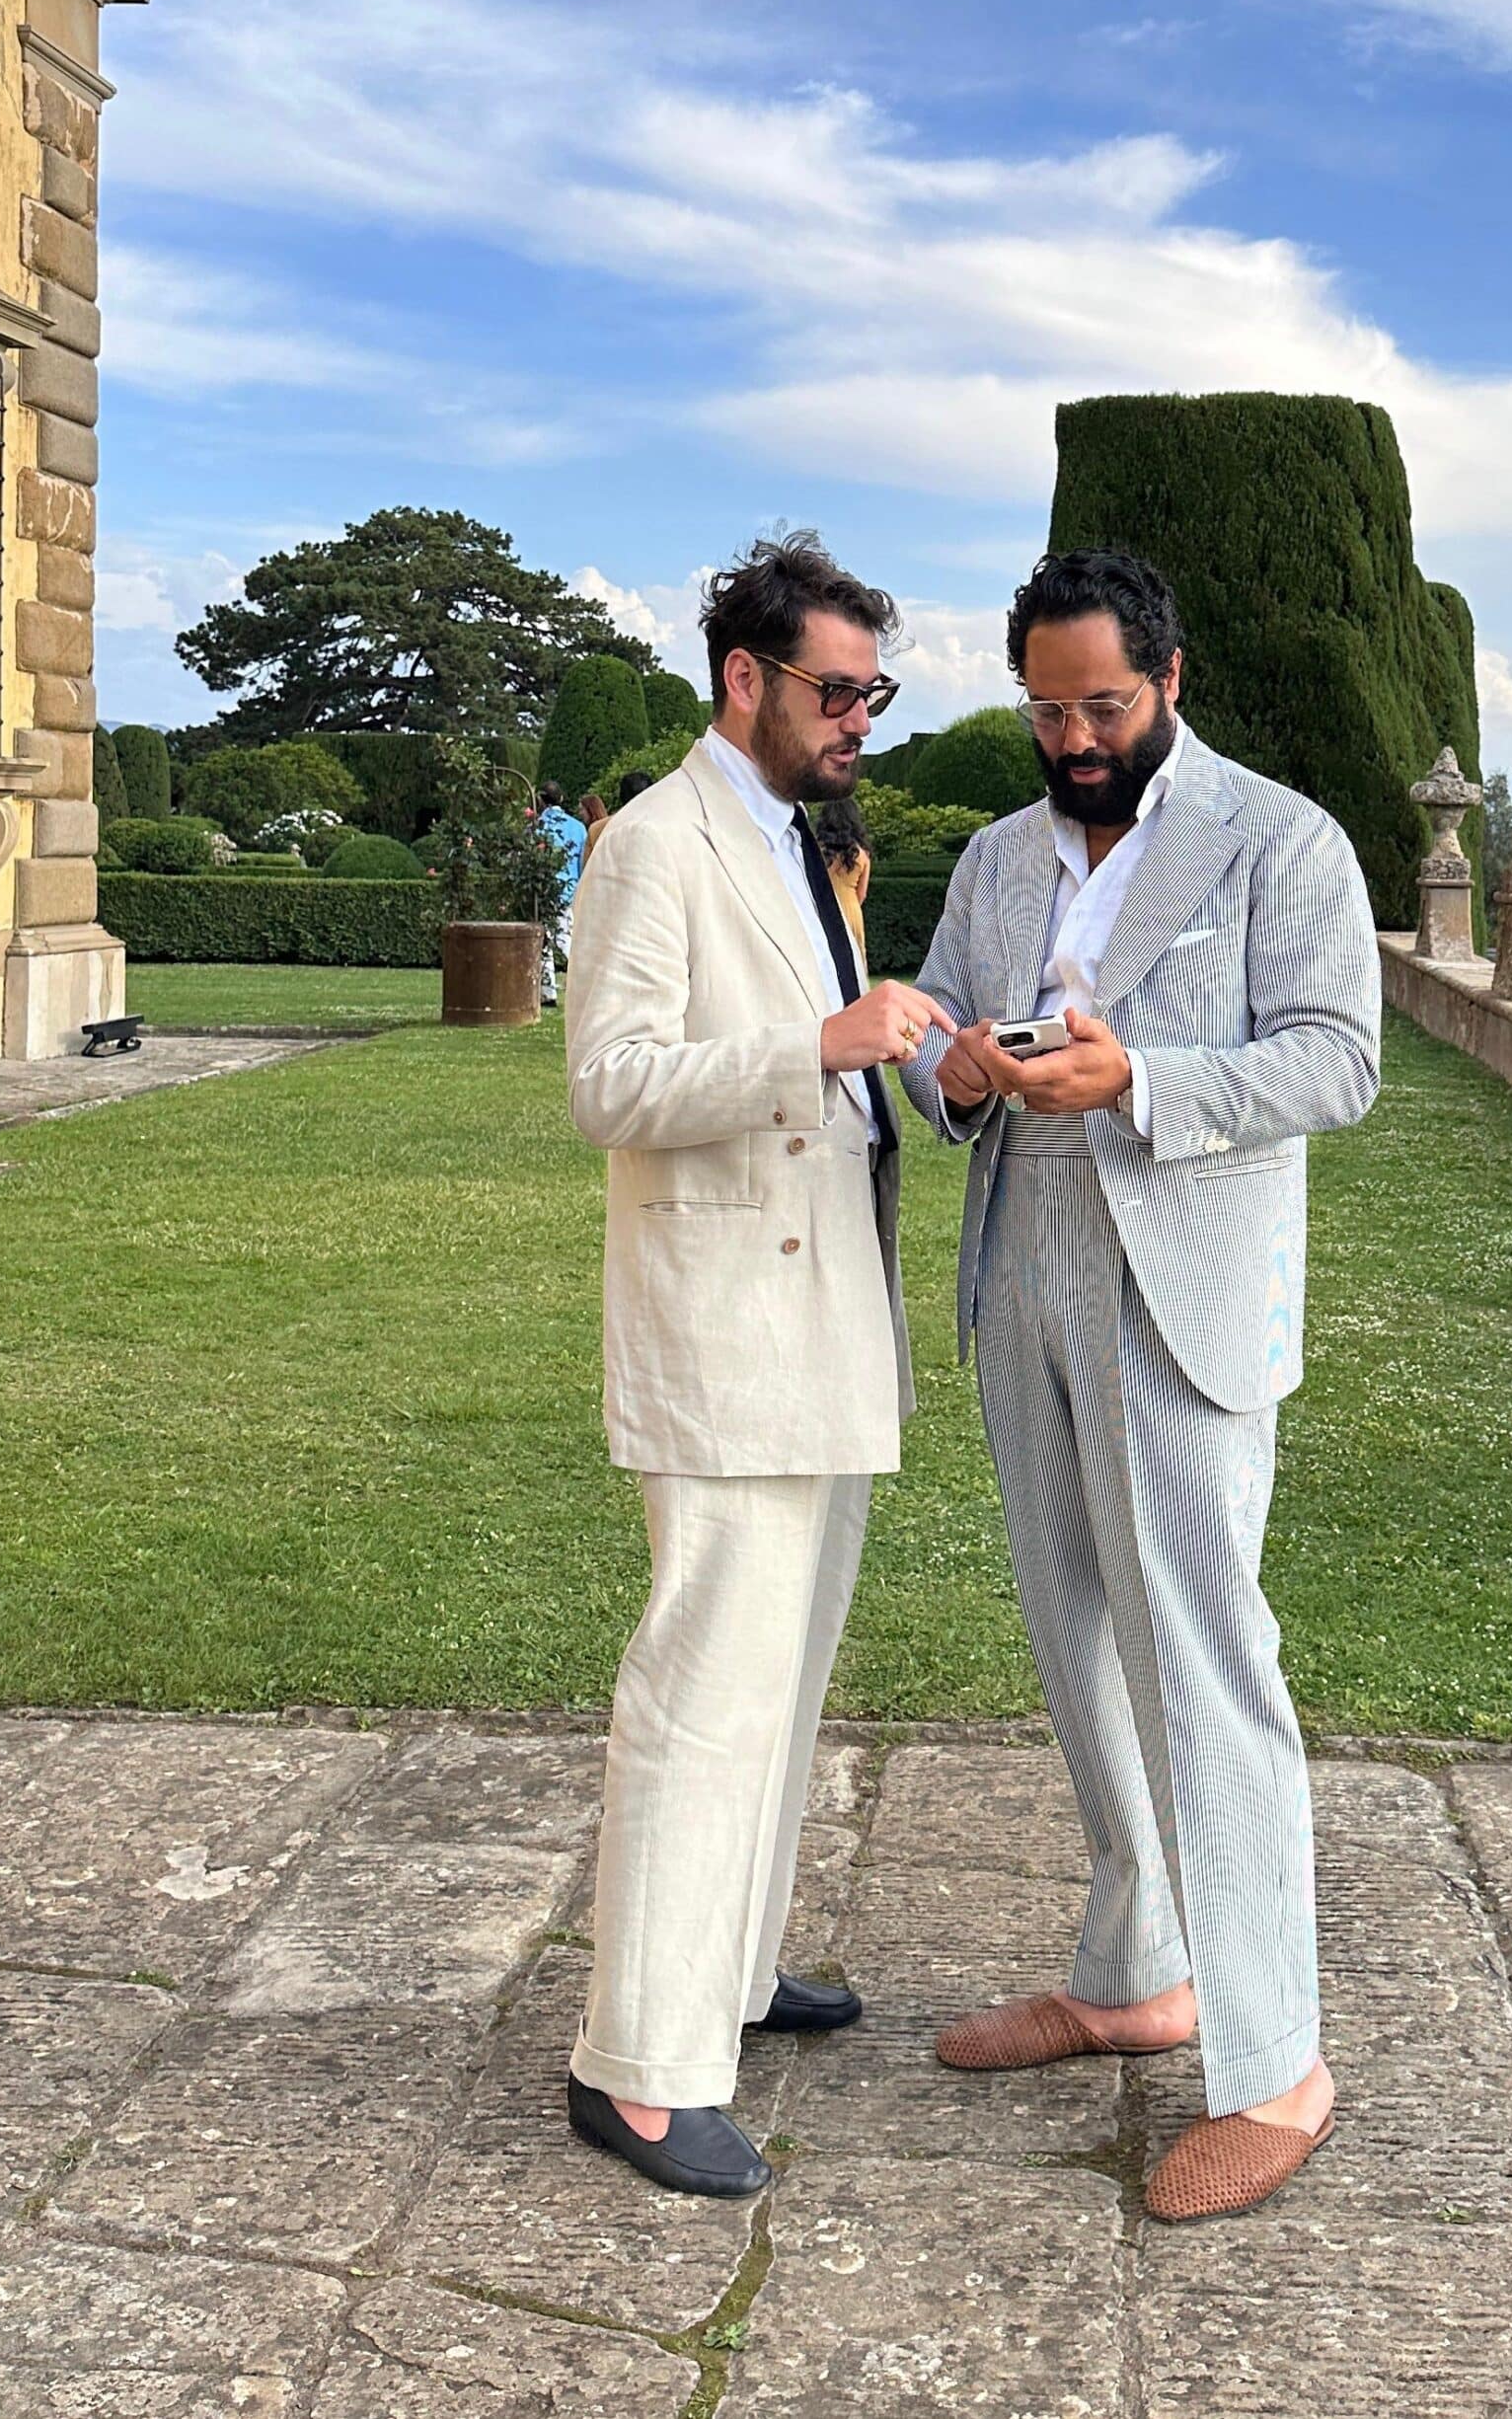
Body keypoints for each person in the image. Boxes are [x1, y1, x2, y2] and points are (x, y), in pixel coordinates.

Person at [899, 546, 1380, 2222]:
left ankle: (1278, 2067)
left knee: (1203, 1656)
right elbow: (936, 1018)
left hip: (1179, 1272)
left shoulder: (1281, 838)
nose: (1076, 739)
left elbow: (1339, 1057)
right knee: (1072, 1634)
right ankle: (1135, 1975)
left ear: (1170, 679)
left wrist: (1143, 1080)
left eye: (1104, 705)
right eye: (1047, 711)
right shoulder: (995, 853)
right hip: (1021, 1251)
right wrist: (960, 1067)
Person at [562, 531, 952, 2200]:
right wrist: (818, 1042)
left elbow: (827, 1065)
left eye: (875, 689)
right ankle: (639, 2068)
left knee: (780, 1690)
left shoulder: (794, 841)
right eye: (838, 688)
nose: (861, 715)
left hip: (823, 1327)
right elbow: (610, 1083)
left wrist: (913, 1054)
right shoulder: (655, 845)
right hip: (725, 1336)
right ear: (746, 677)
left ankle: (724, 1970)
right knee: (703, 1691)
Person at [536, 794, 588, 1006]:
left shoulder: (537, 826)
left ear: (541, 800)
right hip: (570, 889)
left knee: (544, 943)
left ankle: (548, 991)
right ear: (562, 797)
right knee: (567, 939)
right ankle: (583, 983)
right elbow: (582, 861)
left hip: (545, 889)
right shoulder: (578, 827)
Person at [813, 793, 872, 962]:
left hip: (823, 910)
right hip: (852, 910)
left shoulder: (816, 851)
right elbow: (862, 894)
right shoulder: (862, 855)